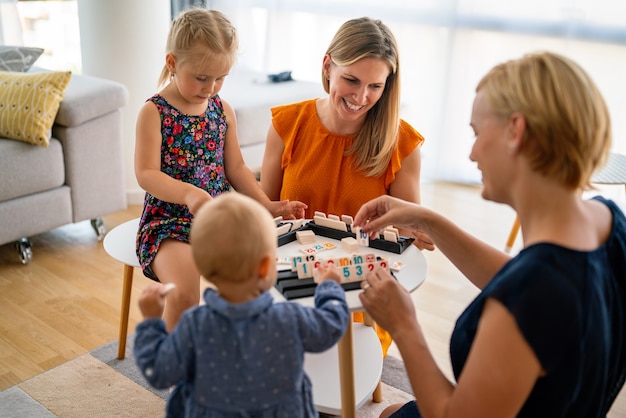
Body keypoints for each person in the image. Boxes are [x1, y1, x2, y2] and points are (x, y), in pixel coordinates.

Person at [353, 51, 626, 418]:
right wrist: (427, 220)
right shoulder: (608, 221)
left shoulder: (532, 296)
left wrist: (404, 326)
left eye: (477, 133)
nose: (471, 154)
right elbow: (524, 279)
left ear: (516, 131)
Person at [260, 16, 434, 357]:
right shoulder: (287, 125)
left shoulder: (403, 146)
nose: (361, 96)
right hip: (288, 283)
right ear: (327, 67)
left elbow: (406, 236)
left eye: (375, 86)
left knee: (326, 371)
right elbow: (264, 214)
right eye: (351, 80)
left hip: (359, 296)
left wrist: (419, 233)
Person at [134, 8, 306, 332]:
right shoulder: (153, 112)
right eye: (202, 77)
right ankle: (178, 370)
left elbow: (237, 168)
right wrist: (189, 194)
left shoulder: (222, 110)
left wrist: (267, 206)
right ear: (172, 63)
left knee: (262, 276)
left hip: (219, 219)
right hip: (168, 221)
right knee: (184, 295)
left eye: (220, 77)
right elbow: (146, 173)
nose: (211, 87)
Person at [134, 192, 349, 417]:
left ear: (203, 267)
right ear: (265, 268)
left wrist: (151, 321)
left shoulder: (193, 326)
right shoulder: (289, 317)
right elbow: (331, 325)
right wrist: (329, 287)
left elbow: (157, 371)